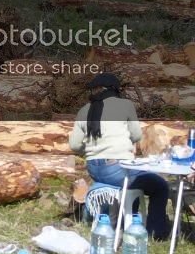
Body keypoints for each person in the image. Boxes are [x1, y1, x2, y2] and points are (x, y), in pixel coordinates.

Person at [69, 72, 170, 240]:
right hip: (117, 168)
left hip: (94, 169)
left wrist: (93, 150)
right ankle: (155, 233)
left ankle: (122, 221)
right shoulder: (125, 105)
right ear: (115, 89)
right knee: (160, 186)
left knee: (132, 183)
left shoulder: (84, 110)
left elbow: (74, 145)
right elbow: (136, 135)